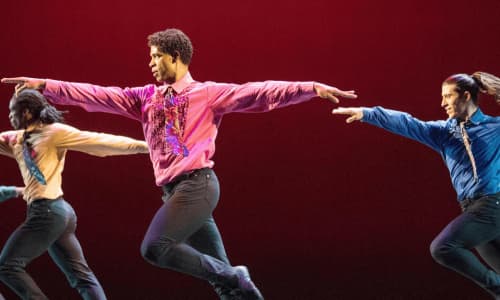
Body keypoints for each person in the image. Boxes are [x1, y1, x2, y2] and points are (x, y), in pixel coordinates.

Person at [2, 28, 357, 300]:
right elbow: (98, 94)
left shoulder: (207, 94)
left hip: (198, 185)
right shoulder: (144, 98)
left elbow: (259, 92)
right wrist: (46, 85)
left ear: (175, 57)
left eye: (156, 57)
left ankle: (235, 276)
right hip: (175, 193)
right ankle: (235, 280)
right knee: (227, 285)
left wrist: (309, 87)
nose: (151, 63)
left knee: (156, 248)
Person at [332, 72, 500, 298]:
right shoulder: (443, 133)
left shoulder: (494, 128)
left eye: (448, 96)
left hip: (491, 205)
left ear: (466, 96)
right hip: (472, 209)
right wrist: (367, 113)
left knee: (444, 247)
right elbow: (407, 122)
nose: (442, 103)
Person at [0, 89, 149, 300]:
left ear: (25, 112)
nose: (9, 116)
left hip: (48, 212)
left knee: (7, 266)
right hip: (59, 213)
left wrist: (147, 147)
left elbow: (99, 141)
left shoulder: (54, 133)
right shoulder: (16, 139)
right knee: (80, 276)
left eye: (12, 111)